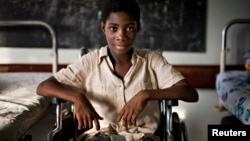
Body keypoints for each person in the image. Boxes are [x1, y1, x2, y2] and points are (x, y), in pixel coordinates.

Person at [36, 0, 199, 140]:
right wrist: (77, 98)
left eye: (129, 28)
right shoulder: (90, 62)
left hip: (142, 137)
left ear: (138, 28)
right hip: (100, 137)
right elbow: (43, 87)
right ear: (103, 28)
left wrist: (146, 95)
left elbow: (190, 93)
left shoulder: (151, 60)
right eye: (114, 28)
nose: (121, 36)